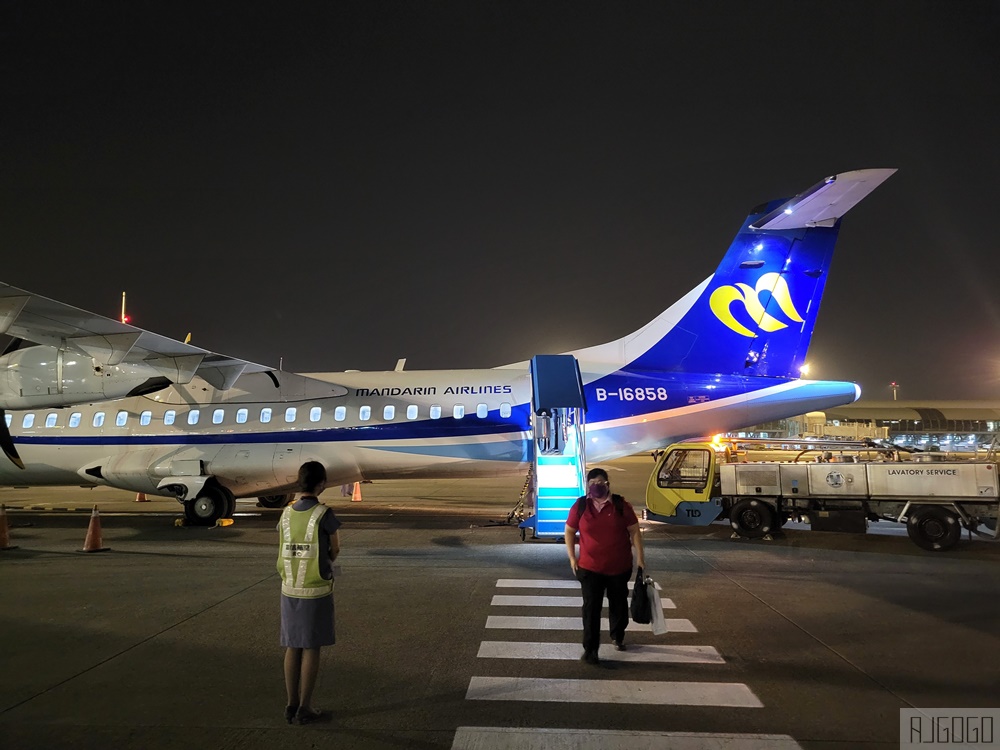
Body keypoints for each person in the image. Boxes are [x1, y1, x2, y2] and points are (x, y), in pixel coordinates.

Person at [277, 461, 341, 725]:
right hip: (315, 589)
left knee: (293, 646)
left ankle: (291, 704)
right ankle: (305, 706)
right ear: (322, 484)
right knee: (311, 647)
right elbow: (335, 550)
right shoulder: (324, 514)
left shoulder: (286, 513)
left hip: (289, 588)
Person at [564, 467, 645, 665]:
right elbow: (569, 531)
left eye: (600, 483)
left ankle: (618, 635)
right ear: (588, 485)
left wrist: (640, 558)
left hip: (618, 567)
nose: (596, 487)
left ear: (607, 484)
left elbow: (634, 531)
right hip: (590, 568)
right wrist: (572, 558)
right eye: (593, 484)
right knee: (591, 609)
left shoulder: (620, 505)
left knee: (618, 604)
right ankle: (590, 650)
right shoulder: (581, 506)